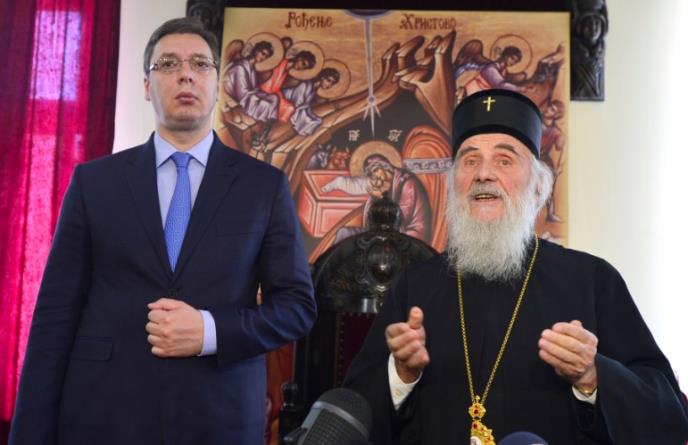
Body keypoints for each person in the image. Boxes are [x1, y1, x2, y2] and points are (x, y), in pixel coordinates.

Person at [9, 17, 316, 445]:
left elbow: (297, 308)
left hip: (218, 417)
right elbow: (55, 316)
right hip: (104, 414)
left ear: (218, 84)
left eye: (200, 64)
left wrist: (210, 330)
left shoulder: (263, 187)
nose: (185, 74)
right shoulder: (94, 183)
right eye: (168, 63)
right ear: (147, 86)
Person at [344, 89, 688, 444]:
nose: (484, 174)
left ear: (538, 189)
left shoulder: (592, 281)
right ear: (452, 185)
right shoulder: (415, 286)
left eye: (504, 160)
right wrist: (400, 375)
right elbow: (350, 417)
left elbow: (668, 417)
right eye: (470, 160)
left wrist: (593, 376)